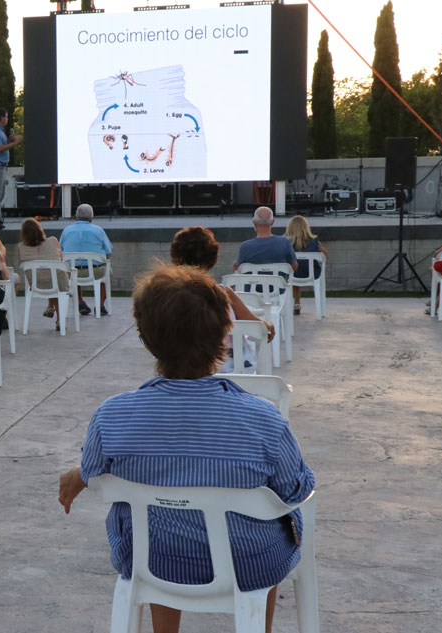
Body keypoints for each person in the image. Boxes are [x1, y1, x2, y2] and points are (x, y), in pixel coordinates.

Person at [57, 264, 315, 633]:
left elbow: (93, 469)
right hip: (249, 563)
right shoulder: (264, 419)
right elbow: (295, 490)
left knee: (159, 525)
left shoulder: (112, 415)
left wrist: (78, 476)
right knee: (280, 523)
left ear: (145, 337)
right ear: (225, 333)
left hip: (153, 563)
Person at [170, 225, 274, 372]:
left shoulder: (168, 297)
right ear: (213, 258)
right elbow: (257, 326)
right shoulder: (224, 293)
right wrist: (268, 325)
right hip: (235, 370)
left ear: (175, 258)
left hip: (187, 373)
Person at [58, 204, 112, 316]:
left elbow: (60, 252)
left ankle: (80, 302)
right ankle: (100, 305)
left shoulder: (66, 231)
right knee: (108, 271)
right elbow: (108, 253)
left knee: (73, 268)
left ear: (76, 216)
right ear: (91, 217)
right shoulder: (98, 230)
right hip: (96, 271)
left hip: (71, 272)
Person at [17, 218, 68, 325]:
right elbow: (61, 261)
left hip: (37, 284)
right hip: (58, 283)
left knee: (47, 276)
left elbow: (22, 265)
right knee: (54, 275)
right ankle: (59, 320)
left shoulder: (21, 247)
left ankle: (50, 306)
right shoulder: (53, 241)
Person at [285, 215, 329, 316]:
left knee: (293, 270)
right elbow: (326, 256)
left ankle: (296, 304)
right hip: (312, 274)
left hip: (292, 275)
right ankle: (298, 304)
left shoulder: (286, 242)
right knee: (299, 268)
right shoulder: (314, 241)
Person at [0, 108, 22, 230]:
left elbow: (2, 143)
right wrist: (15, 143)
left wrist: (11, 139)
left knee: (0, 194)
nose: (7, 119)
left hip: (0, 166)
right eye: (6, 117)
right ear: (1, 118)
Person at [235, 206, 298, 275]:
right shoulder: (284, 242)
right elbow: (294, 267)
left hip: (252, 285)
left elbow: (238, 268)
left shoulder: (245, 246)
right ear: (273, 222)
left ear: (254, 222)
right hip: (278, 285)